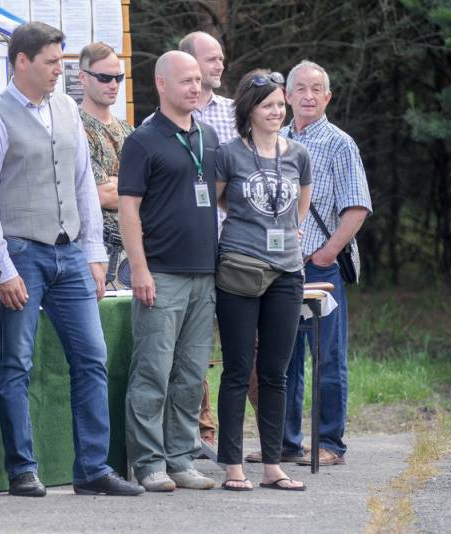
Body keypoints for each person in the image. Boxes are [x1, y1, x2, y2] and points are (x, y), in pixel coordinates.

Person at [0, 21, 143, 498]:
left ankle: (93, 468)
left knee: (92, 358)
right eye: (49, 62)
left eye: (60, 62)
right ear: (21, 61)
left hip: (70, 252)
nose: (56, 71)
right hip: (22, 251)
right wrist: (3, 267)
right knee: (16, 364)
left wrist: (94, 253)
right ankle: (22, 469)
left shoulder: (66, 107)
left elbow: (84, 183)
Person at [119, 51, 219, 492]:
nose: (196, 87)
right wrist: (139, 269)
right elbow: (128, 210)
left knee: (191, 375)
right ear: (161, 84)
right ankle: (148, 462)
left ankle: (181, 458)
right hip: (161, 274)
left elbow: (218, 197)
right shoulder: (143, 141)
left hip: (204, 274)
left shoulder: (208, 136)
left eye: (198, 80)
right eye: (186, 81)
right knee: (153, 373)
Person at [214, 69, 312, 491]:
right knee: (238, 369)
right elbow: (219, 200)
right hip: (240, 268)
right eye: (267, 105)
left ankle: (273, 464)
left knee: (275, 371)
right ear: (249, 110)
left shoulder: (298, 154)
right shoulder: (229, 154)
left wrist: (284, 233)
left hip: (287, 272)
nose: (276, 111)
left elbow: (300, 208)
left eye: (279, 104)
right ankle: (232, 465)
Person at [281, 60, 372, 467]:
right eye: (300, 88)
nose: (308, 96)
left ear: (328, 97)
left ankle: (330, 443)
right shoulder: (276, 139)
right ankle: (285, 443)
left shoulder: (339, 143)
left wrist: (327, 253)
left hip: (320, 268)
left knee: (327, 357)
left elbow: (357, 207)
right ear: (287, 95)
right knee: (282, 358)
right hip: (281, 268)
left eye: (316, 89)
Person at [178, 30, 237, 449]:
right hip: (191, 250)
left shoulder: (236, 114)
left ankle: (274, 437)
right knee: (193, 346)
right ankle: (203, 433)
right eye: (212, 58)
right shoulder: (164, 122)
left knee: (247, 345)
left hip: (236, 249)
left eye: (220, 58)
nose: (220, 65)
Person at [78, 42, 133, 285]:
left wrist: (117, 184)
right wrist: (136, 188)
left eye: (118, 78)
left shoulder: (128, 129)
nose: (113, 85)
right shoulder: (76, 127)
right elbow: (100, 194)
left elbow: (155, 188)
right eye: (104, 78)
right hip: (95, 251)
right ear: (83, 77)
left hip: (133, 249)